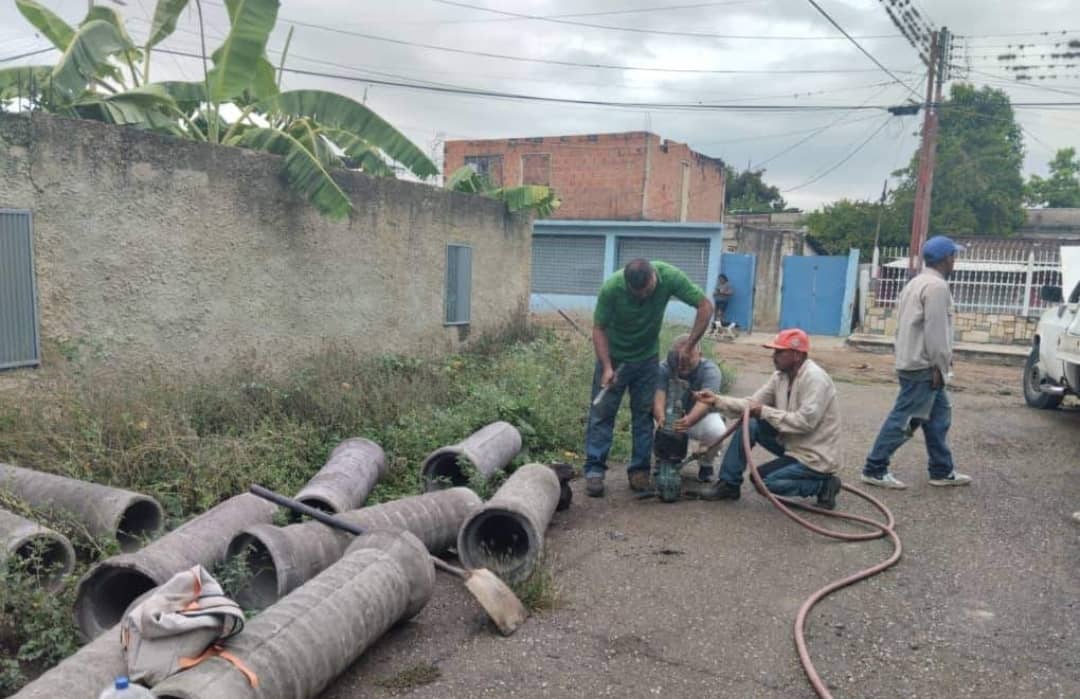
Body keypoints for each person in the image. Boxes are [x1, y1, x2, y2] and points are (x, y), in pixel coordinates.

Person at [584, 259, 713, 497]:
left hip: (646, 359)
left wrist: (690, 344)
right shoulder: (612, 288)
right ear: (627, 284)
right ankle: (594, 470)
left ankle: (639, 471)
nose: (643, 296)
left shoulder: (670, 276)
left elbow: (705, 305)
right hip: (615, 358)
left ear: (654, 277)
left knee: (643, 415)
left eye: (648, 292)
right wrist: (606, 367)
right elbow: (599, 328)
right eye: (638, 294)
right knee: (602, 413)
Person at [860, 235, 972, 489]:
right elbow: (936, 332)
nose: (955, 261)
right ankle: (874, 468)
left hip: (913, 360)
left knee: (938, 419)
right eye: (954, 256)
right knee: (904, 419)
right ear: (947, 259)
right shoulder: (937, 287)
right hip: (925, 366)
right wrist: (940, 366)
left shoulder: (916, 283)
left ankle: (942, 470)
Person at [694, 328, 843, 510]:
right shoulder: (780, 377)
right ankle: (729, 484)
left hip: (813, 455)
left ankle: (823, 486)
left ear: (796, 355)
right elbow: (751, 405)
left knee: (763, 482)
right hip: (792, 444)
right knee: (750, 422)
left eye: (780, 352)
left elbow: (804, 423)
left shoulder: (815, 379)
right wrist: (717, 400)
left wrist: (764, 411)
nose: (774, 356)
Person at [652, 334, 727, 482]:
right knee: (650, 423)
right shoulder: (663, 368)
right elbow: (658, 396)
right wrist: (660, 418)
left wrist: (689, 420)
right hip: (670, 417)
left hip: (700, 418)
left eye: (689, 359)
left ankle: (706, 463)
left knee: (717, 431)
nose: (683, 364)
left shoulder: (710, 370)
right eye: (679, 359)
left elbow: (705, 402)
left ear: (700, 355)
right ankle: (665, 460)